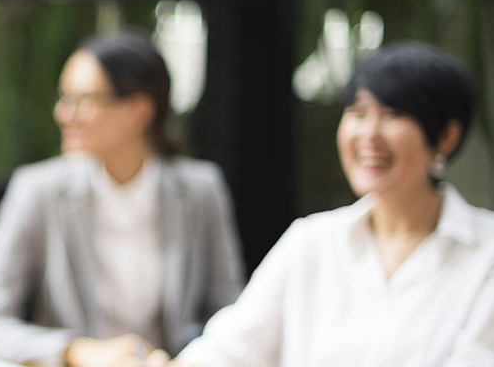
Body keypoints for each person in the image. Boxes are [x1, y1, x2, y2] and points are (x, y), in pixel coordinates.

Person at [173, 42, 494, 367]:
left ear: (446, 137)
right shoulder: (311, 241)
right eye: (357, 113)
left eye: (393, 114)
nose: (369, 133)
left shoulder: (487, 255)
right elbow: (228, 352)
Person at [0, 32, 245, 367]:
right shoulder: (38, 191)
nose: (65, 114)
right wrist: (76, 351)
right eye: (64, 98)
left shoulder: (200, 191)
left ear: (139, 111)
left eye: (84, 100)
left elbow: (233, 318)